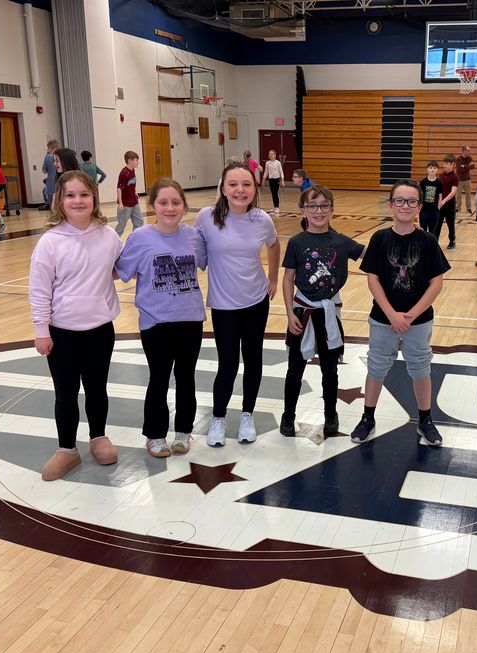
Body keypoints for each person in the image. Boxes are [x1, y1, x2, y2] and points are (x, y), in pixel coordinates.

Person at [29, 169, 122, 481]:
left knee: (97, 388)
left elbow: (120, 267)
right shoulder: (50, 243)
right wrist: (42, 330)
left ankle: (99, 437)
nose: (78, 200)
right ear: (60, 200)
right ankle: (67, 449)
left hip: (99, 330)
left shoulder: (108, 236)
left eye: (84, 194)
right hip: (62, 332)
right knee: (65, 393)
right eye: (70, 195)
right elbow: (40, 289)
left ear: (94, 198)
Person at [349, 179, 450, 446]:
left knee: (420, 367)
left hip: (419, 321)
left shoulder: (427, 241)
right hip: (383, 319)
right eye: (400, 201)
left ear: (419, 206)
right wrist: (392, 314)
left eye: (411, 201)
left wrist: (412, 315)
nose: (405, 206)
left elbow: (436, 282)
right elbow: (373, 279)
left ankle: (425, 419)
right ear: (391, 205)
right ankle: (368, 417)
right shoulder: (380, 238)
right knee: (377, 366)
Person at [116, 179, 206, 457]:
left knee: (186, 377)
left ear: (184, 206)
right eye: (163, 202)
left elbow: (209, 262)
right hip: (155, 322)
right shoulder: (140, 238)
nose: (170, 208)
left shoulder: (194, 236)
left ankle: (183, 431)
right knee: (159, 378)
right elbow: (119, 272)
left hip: (190, 320)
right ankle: (155, 435)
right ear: (152, 205)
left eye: (176, 202)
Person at [196, 161, 281, 447]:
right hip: (223, 305)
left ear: (255, 188)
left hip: (256, 300)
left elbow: (274, 244)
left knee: (253, 360)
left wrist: (272, 278)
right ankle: (219, 417)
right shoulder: (206, 218)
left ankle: (247, 414)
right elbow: (197, 254)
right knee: (228, 363)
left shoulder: (261, 219)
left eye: (246, 184)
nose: (239, 190)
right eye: (233, 184)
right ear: (222, 187)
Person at [279, 185, 364, 437]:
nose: (318, 211)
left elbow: (372, 255)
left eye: (324, 206)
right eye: (312, 206)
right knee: (295, 369)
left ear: (332, 210)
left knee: (330, 370)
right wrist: (289, 312)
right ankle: (288, 415)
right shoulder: (296, 242)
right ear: (303, 210)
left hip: (328, 314)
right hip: (302, 312)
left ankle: (330, 414)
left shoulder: (341, 241)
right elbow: (288, 279)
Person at [115, 151, 144, 236]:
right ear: (130, 161)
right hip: (125, 204)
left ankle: (134, 240)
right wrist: (120, 202)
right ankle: (113, 243)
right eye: (136, 160)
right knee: (121, 226)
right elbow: (119, 188)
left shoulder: (132, 171)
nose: (138, 162)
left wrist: (135, 193)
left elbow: (131, 184)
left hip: (134, 202)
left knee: (139, 223)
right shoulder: (124, 173)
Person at [434, 154, 459, 249]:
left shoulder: (455, 177)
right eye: (444, 163)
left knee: (450, 224)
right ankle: (435, 241)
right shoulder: (440, 176)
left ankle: (452, 241)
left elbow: (453, 192)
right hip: (440, 205)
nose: (444, 165)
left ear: (452, 164)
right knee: (437, 224)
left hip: (449, 205)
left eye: (447, 163)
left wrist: (443, 201)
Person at [418, 161, 443, 238]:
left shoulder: (439, 183)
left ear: (437, 170)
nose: (432, 169)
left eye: (434, 168)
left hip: (434, 211)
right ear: (427, 169)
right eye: (431, 168)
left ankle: (431, 248)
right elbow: (419, 195)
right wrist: (419, 208)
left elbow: (440, 196)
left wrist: (438, 207)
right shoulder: (423, 182)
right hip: (424, 211)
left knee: (433, 232)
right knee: (423, 232)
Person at [455, 145, 475, 214]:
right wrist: (467, 167)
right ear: (464, 151)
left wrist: (464, 166)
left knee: (468, 194)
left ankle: (468, 208)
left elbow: (473, 166)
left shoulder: (470, 158)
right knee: (458, 195)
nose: (469, 152)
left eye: (469, 150)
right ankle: (457, 208)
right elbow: (459, 168)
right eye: (468, 150)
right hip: (459, 180)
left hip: (467, 180)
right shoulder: (458, 159)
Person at [263, 149, 284, 215]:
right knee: (273, 193)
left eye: (271, 154)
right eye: (269, 154)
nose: (270, 155)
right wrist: (263, 180)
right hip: (271, 180)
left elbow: (281, 171)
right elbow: (266, 172)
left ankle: (277, 207)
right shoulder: (267, 163)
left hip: (276, 180)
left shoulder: (278, 163)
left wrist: (282, 180)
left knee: (275, 193)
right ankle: (274, 207)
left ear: (275, 155)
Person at [40, 139, 59, 210]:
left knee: (52, 205)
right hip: (60, 181)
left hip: (51, 182)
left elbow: (44, 170)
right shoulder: (60, 156)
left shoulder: (48, 157)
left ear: (50, 148)